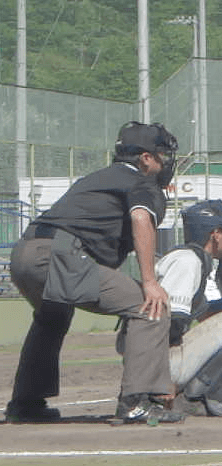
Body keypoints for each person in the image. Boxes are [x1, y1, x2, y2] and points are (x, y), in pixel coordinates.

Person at [5, 121, 183, 423]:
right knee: (150, 307)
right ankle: (136, 402)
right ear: (145, 159)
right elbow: (141, 218)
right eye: (161, 155)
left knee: (53, 316)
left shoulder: (98, 178)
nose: (165, 162)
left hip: (25, 254)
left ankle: (26, 404)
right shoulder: (141, 183)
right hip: (59, 255)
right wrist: (150, 282)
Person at [129, 199, 222, 416]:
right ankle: (189, 398)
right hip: (155, 363)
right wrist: (160, 382)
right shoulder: (187, 261)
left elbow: (208, 312)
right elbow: (168, 323)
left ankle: (186, 392)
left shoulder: (193, 258)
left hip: (155, 359)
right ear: (216, 234)